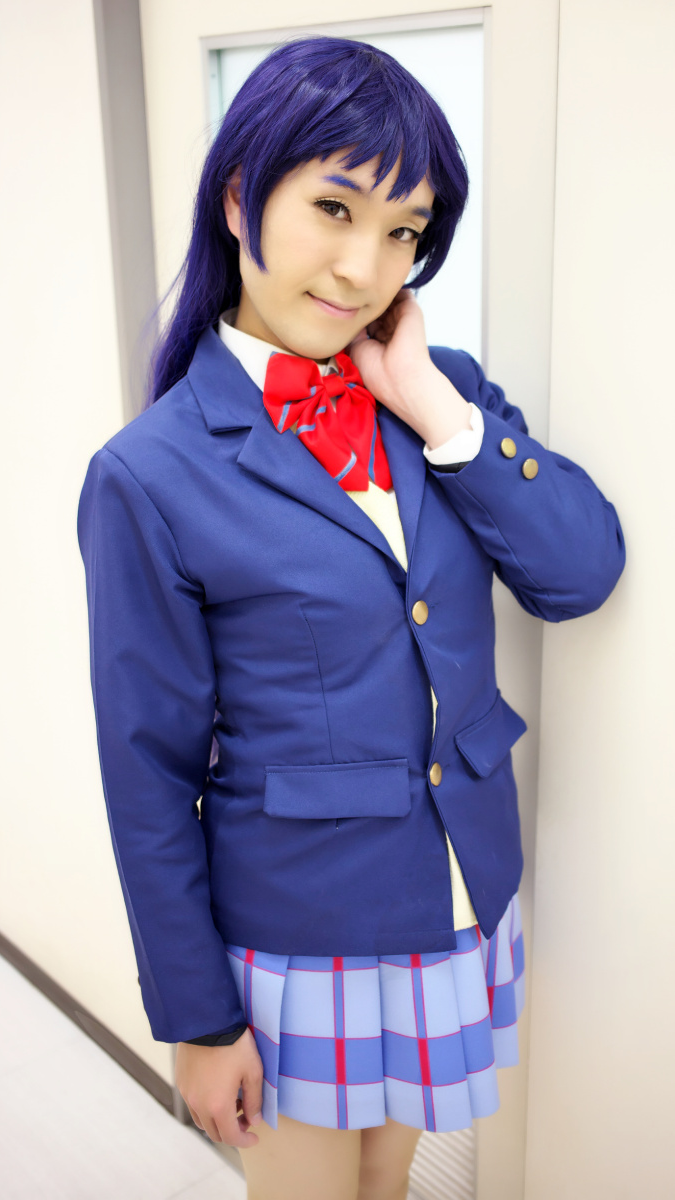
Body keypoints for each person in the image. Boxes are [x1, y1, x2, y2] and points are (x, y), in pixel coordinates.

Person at [77, 35, 625, 1200]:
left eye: (403, 232)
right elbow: (145, 772)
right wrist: (197, 1016)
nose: (363, 267)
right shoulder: (149, 474)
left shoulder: (438, 391)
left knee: (387, 1185)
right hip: (299, 931)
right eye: (333, 208)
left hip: (451, 891)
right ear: (240, 199)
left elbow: (577, 573)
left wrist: (426, 402)